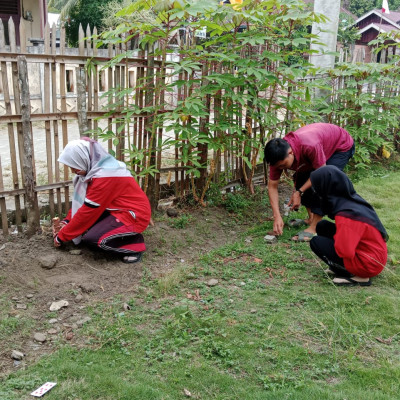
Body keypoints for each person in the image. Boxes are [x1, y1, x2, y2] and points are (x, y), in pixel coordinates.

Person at [53, 137, 151, 264]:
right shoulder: (96, 171)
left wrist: (61, 237)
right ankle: (122, 234)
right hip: (116, 209)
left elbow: (87, 212)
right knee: (87, 229)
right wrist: (67, 221)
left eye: (75, 166)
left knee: (94, 239)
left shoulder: (105, 176)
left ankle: (134, 244)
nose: (73, 171)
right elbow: (84, 204)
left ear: (84, 159)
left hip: (135, 215)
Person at [264, 123, 355, 241]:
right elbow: (272, 186)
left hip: (340, 146)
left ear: (291, 152)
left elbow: (322, 174)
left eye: (283, 165)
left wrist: (299, 192)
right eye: (278, 167)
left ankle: (315, 227)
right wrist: (277, 216)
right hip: (319, 146)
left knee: (323, 184)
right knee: (302, 178)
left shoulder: (310, 145)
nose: (281, 168)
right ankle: (311, 218)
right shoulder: (276, 158)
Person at [309, 166, 388, 286]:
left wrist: (339, 239)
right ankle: (339, 267)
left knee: (316, 242)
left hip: (368, 265)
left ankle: (358, 277)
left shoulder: (346, 216)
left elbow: (345, 251)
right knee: (322, 226)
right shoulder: (351, 201)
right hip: (375, 257)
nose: (315, 190)